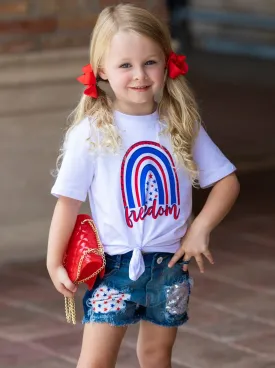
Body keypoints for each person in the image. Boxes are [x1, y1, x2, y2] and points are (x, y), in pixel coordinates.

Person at [47, 4, 240, 368]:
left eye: (150, 62)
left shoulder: (180, 123)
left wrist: (200, 228)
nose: (139, 75)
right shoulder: (91, 133)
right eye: (125, 65)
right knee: (96, 361)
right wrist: (54, 261)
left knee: (155, 355)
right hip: (114, 268)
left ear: (167, 62)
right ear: (102, 69)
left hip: (171, 266)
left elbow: (227, 181)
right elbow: (68, 203)